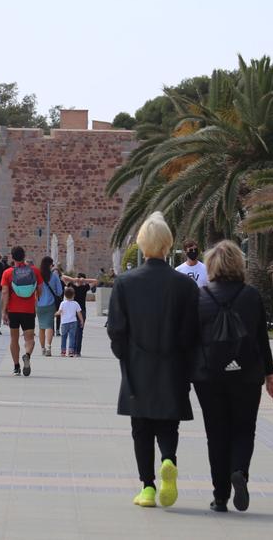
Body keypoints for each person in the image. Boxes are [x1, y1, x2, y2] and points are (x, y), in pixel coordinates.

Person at [108, 211, 199, 509]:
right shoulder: (186, 286)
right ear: (167, 244)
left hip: (137, 365)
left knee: (141, 428)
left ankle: (147, 487)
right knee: (168, 425)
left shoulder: (124, 283)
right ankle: (169, 460)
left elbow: (117, 330)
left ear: (142, 245)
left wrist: (125, 354)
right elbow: (192, 332)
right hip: (173, 365)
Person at [189, 241, 273, 513]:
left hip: (209, 377)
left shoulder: (200, 297)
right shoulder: (251, 296)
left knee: (216, 433)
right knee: (244, 428)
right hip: (247, 375)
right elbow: (261, 340)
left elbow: (191, 340)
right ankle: (239, 470)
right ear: (239, 264)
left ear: (211, 265)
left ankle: (220, 497)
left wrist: (186, 374)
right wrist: (270, 377)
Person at [0, 246, 42, 377]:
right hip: (28, 310)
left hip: (13, 310)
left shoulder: (7, 273)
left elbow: (5, 292)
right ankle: (27, 355)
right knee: (29, 339)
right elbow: (40, 288)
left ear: (12, 257)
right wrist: (36, 298)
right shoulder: (34, 271)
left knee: (14, 339)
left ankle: (16, 367)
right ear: (24, 256)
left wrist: (4, 311)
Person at [61, 273, 98, 356]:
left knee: (80, 331)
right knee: (73, 331)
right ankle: (72, 350)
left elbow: (96, 281)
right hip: (73, 312)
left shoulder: (84, 287)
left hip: (82, 311)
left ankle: (77, 351)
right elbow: (63, 277)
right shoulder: (72, 286)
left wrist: (84, 280)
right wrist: (74, 279)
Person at [35, 256, 64, 356]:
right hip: (51, 304)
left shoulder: (37, 275)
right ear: (50, 265)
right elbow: (60, 291)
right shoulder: (54, 276)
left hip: (39, 304)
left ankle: (42, 348)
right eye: (52, 264)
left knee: (41, 327)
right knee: (49, 325)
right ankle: (48, 347)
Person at [57, 287, 84, 357]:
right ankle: (71, 351)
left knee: (64, 337)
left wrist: (55, 314)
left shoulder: (62, 303)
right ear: (74, 295)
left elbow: (59, 312)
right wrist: (82, 321)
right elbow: (79, 313)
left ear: (65, 295)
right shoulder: (76, 303)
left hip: (64, 323)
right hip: (73, 322)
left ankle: (63, 351)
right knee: (72, 337)